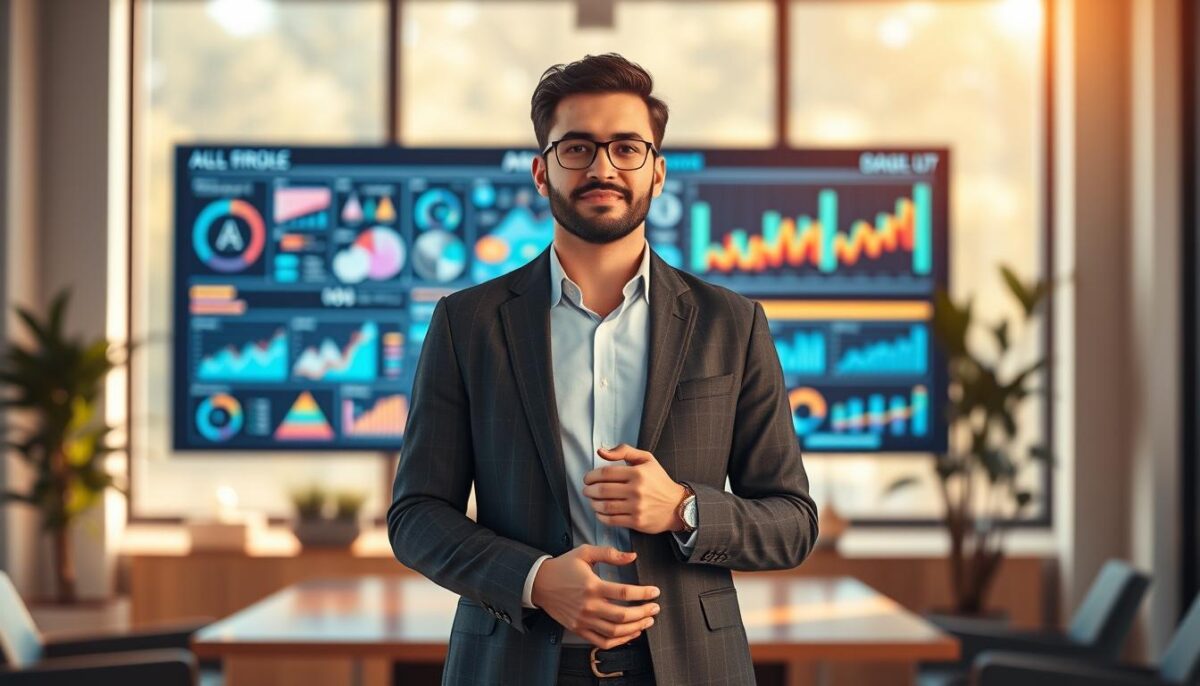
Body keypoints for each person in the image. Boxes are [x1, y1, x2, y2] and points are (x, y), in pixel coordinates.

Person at [388, 52, 818, 686]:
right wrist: (535, 580)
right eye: (577, 148)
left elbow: (793, 523)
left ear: (657, 171)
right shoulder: (467, 323)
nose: (602, 168)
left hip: (689, 667)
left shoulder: (732, 323)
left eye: (626, 148)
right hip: (513, 663)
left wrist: (684, 509)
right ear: (542, 172)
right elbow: (416, 516)